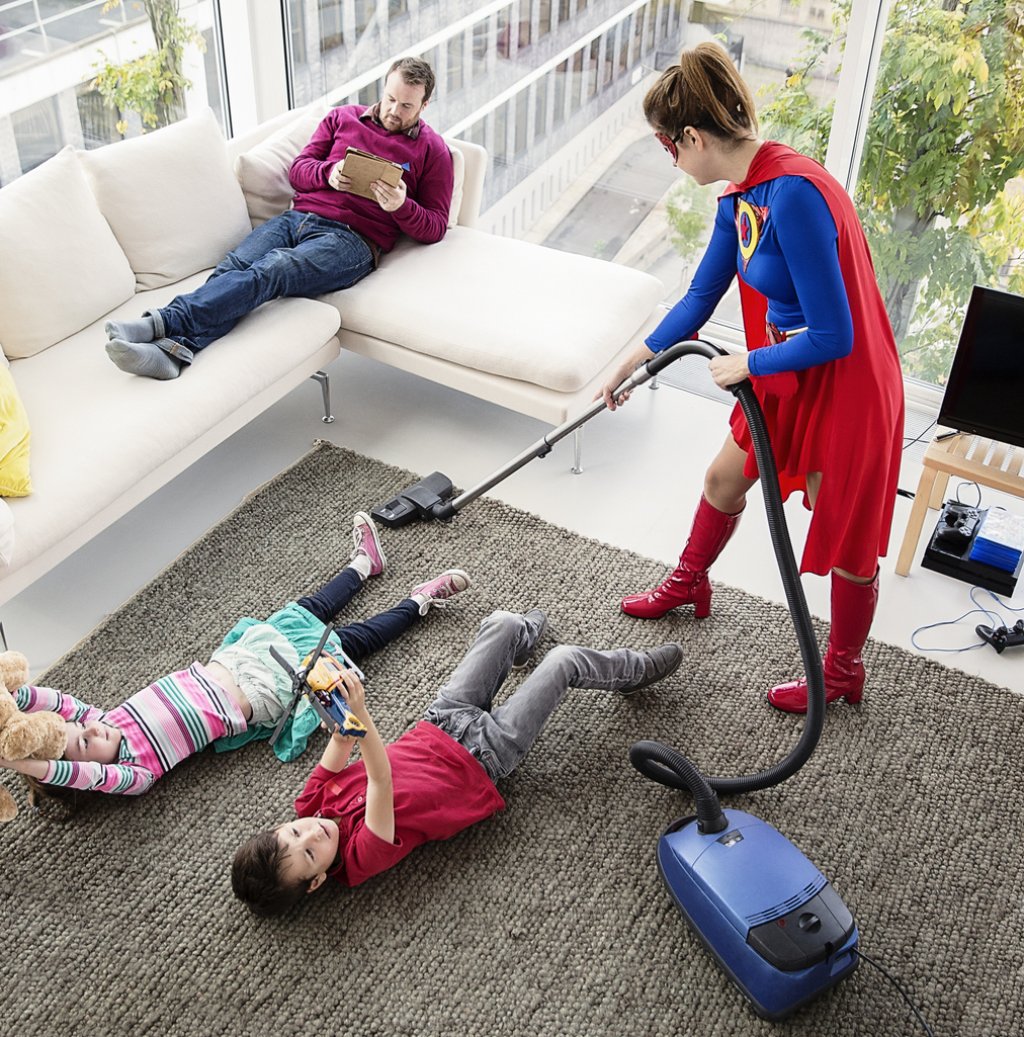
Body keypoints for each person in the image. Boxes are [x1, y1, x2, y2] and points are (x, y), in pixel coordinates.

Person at [599, 42, 904, 715]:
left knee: (846, 540)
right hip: (785, 370)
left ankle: (843, 669)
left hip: (842, 384)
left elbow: (836, 334)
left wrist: (749, 362)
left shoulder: (792, 194)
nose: (668, 159)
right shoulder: (739, 194)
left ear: (693, 137)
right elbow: (699, 296)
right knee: (722, 479)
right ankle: (689, 582)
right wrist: (635, 360)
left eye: (665, 145)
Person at [231, 609, 684, 915]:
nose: (312, 831)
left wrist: (334, 704)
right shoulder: (358, 859)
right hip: (484, 755)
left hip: (438, 722)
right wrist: (361, 713)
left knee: (503, 623)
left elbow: (342, 744)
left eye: (294, 831)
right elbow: (380, 783)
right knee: (563, 662)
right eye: (310, 852)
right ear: (317, 882)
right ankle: (633, 671)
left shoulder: (310, 802)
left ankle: (518, 642)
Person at [0, 512, 471, 797]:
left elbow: (58, 706)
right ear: (89, 769)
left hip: (233, 661)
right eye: (86, 744)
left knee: (305, 610)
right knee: (349, 641)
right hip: (261, 691)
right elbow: (61, 769)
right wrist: (15, 763)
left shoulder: (110, 718)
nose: (91, 729)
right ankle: (420, 602)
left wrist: (14, 697)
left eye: (83, 729)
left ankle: (363, 564)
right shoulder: (134, 770)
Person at [104, 56, 454, 380]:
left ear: (424, 106)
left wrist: (401, 206)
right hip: (297, 218)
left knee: (273, 269)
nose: (394, 110)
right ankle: (175, 354)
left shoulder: (433, 151)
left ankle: (161, 321)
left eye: (407, 105)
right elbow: (299, 170)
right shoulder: (342, 118)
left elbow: (436, 226)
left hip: (353, 241)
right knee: (232, 267)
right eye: (391, 98)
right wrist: (328, 174)